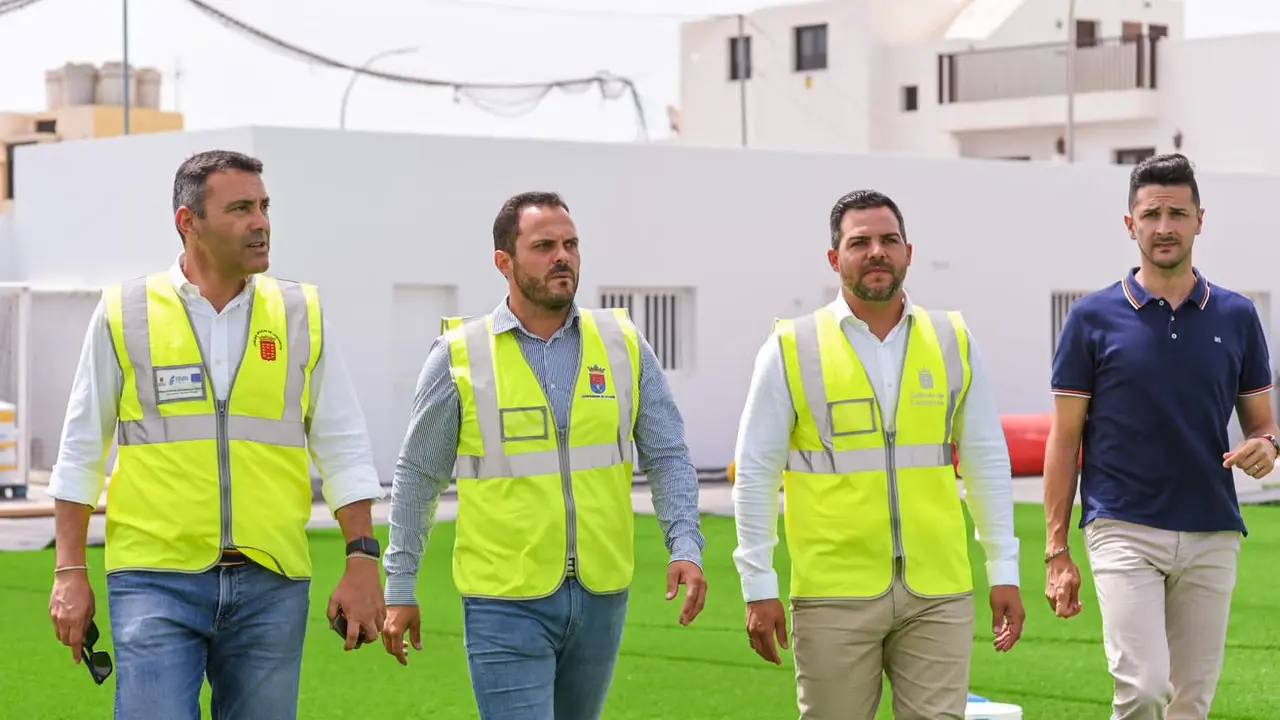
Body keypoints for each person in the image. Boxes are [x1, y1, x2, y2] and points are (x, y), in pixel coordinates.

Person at [46, 150, 388, 720]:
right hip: (155, 579)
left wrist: (361, 558)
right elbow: (80, 451)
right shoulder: (124, 311)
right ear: (189, 223)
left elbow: (343, 445)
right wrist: (69, 571)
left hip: (271, 581)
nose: (261, 222)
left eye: (264, 206)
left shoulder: (301, 312)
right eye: (240, 209)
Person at [380, 190, 708, 720]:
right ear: (504, 263)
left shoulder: (622, 343)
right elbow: (418, 475)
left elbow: (667, 453)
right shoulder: (459, 356)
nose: (563, 256)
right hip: (504, 601)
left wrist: (685, 546)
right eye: (545, 245)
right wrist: (400, 585)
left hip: (603, 593)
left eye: (571, 244)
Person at [732, 189, 1025, 720]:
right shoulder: (791, 348)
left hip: (938, 589)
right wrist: (758, 584)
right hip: (832, 594)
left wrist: (1004, 569)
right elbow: (754, 474)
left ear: (909, 253)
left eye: (889, 240)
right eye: (859, 242)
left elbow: (986, 459)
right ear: (834, 258)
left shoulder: (953, 339)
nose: (876, 252)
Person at [1044, 153, 1277, 720]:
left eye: (1178, 212)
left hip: (1212, 530)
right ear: (1131, 224)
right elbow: (1064, 438)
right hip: (1122, 526)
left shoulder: (1238, 315)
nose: (1165, 226)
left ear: (1201, 219)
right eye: (1152, 214)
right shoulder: (1092, 317)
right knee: (1145, 689)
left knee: (1191, 702)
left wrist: (1267, 446)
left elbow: (1263, 423)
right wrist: (1056, 550)